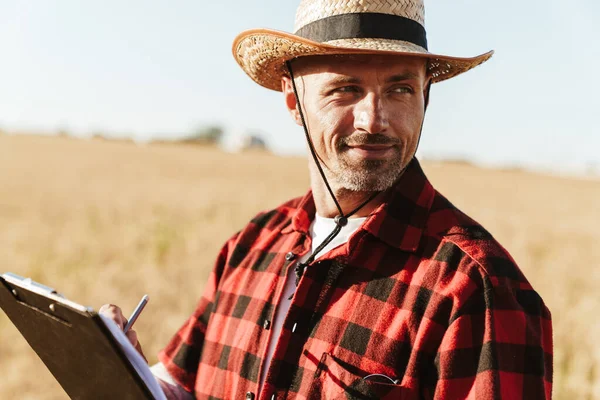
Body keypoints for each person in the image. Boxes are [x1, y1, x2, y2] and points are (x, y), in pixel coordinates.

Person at [101, 0, 553, 398]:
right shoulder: (252, 244)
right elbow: (185, 385)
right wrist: (122, 371)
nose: (374, 120)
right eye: (345, 89)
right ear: (293, 100)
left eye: (400, 89)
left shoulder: (474, 287)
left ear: (426, 98)